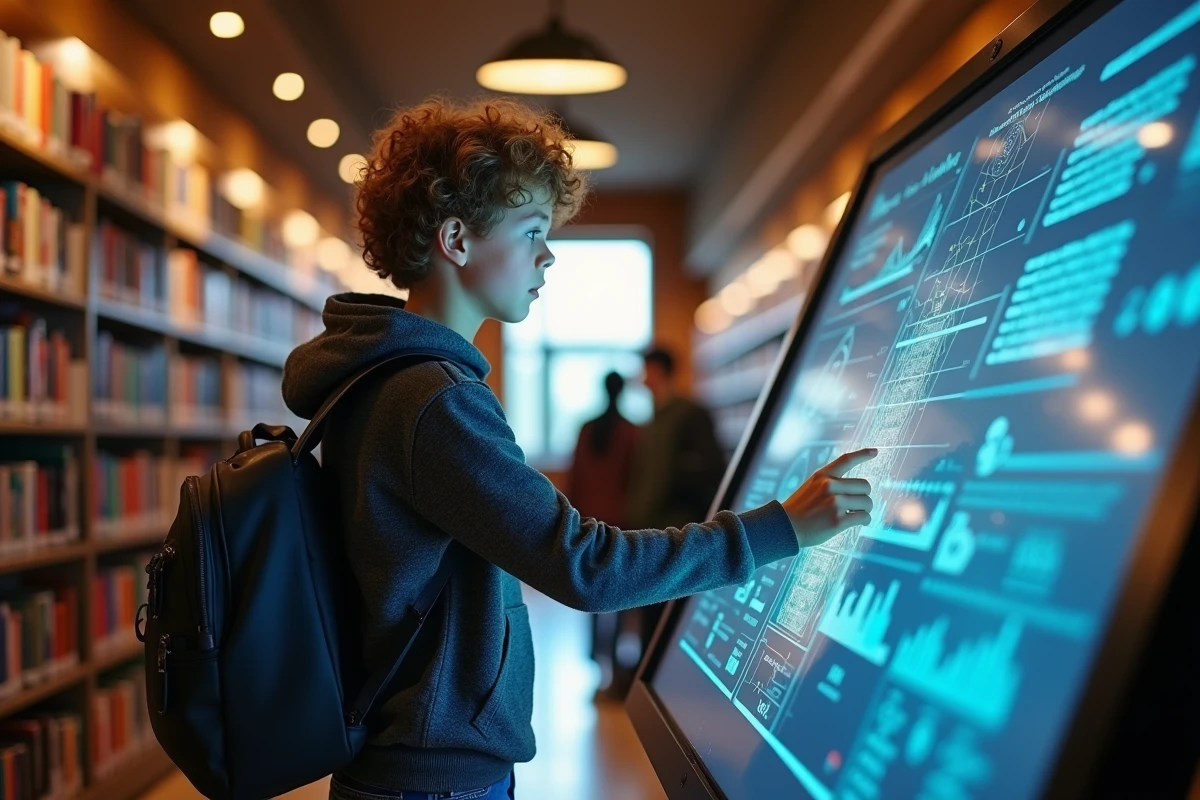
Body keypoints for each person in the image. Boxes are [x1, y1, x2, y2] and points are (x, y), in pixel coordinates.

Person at [281, 97, 877, 800]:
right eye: (532, 230)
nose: (548, 254)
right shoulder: (434, 400)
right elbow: (586, 568)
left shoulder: (379, 380)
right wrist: (782, 528)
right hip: (435, 777)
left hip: (403, 762)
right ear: (456, 239)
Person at [564, 372, 640, 699]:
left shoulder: (586, 428)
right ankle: (620, 673)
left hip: (590, 524)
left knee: (593, 597)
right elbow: (635, 483)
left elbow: (575, 478)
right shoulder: (634, 432)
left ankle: (599, 665)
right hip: (622, 525)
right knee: (623, 601)